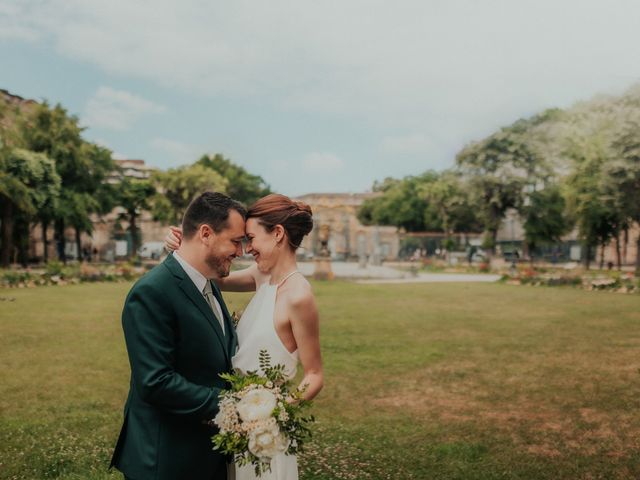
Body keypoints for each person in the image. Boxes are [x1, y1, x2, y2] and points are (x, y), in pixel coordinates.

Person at [165, 193, 324, 480]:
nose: (246, 248)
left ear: (277, 234)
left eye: (250, 238)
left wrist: (273, 415)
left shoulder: (299, 296)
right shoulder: (260, 276)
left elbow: (314, 375)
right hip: (235, 425)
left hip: (264, 432)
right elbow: (213, 273)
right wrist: (184, 247)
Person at [110, 192, 247, 480]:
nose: (241, 252)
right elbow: (155, 382)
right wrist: (233, 405)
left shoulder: (207, 284)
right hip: (168, 461)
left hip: (204, 455)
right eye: (236, 241)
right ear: (206, 234)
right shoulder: (152, 292)